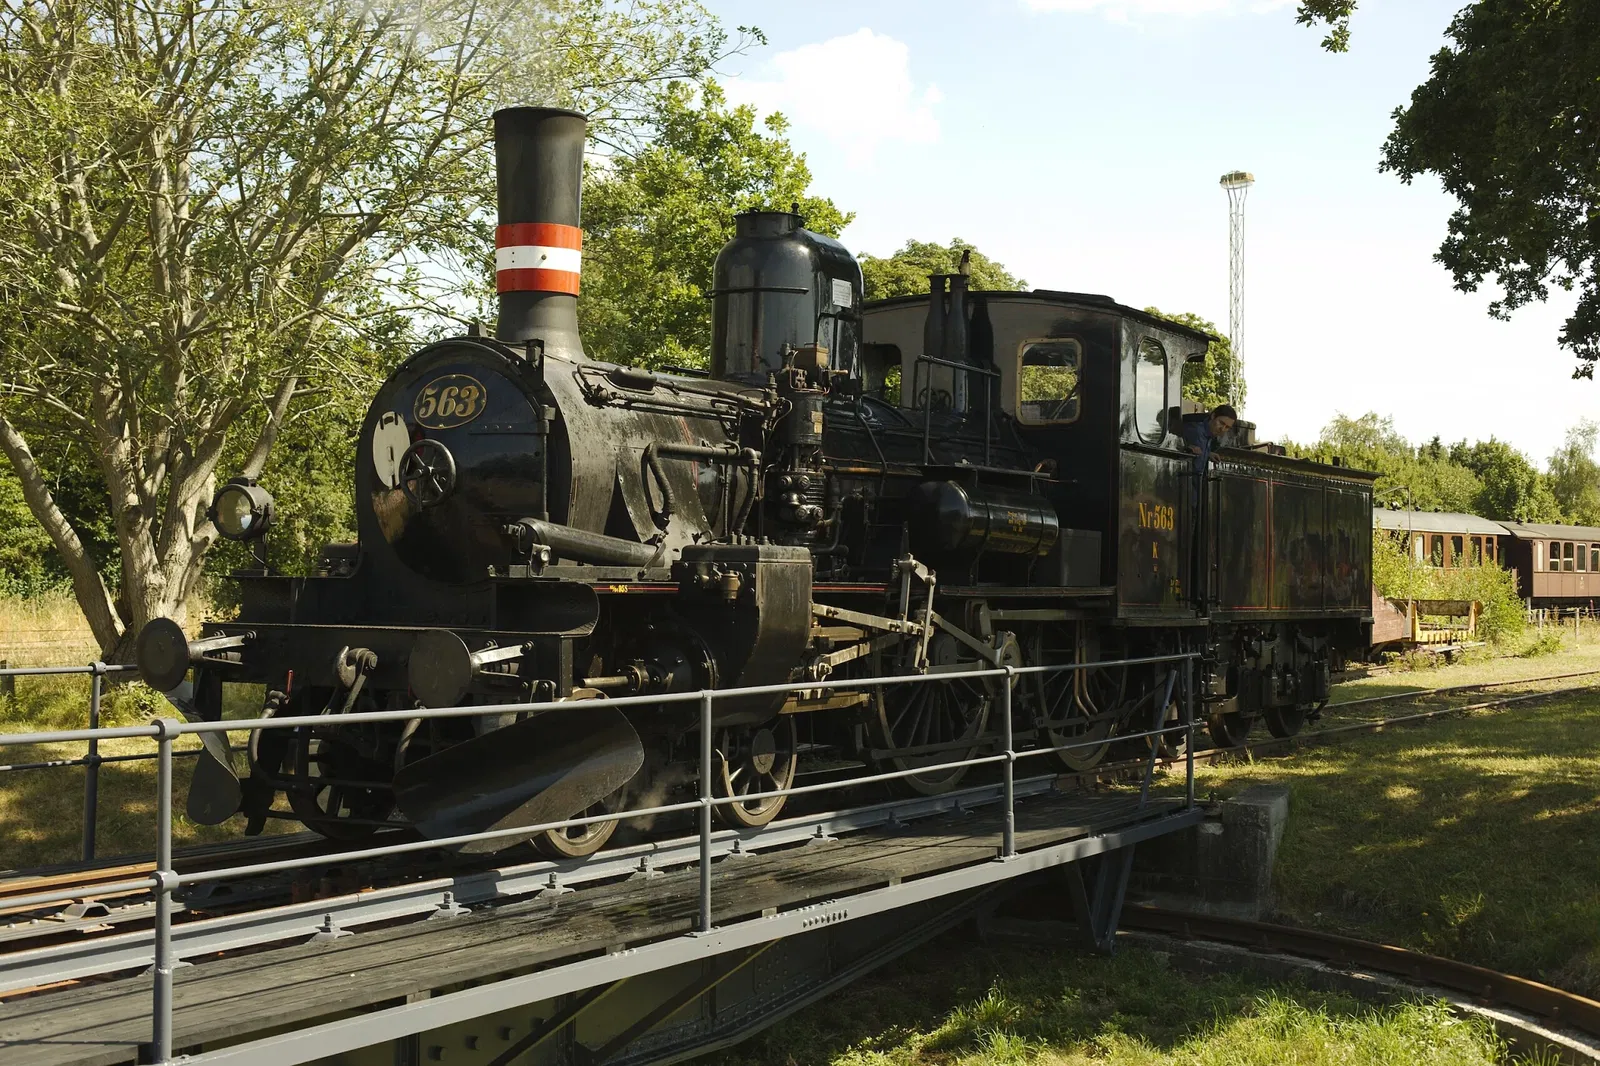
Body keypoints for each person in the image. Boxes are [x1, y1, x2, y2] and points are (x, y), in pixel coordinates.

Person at [1180, 403, 1237, 474]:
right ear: (1213, 416)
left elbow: (1197, 451)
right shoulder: (1195, 431)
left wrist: (1207, 454)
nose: (1222, 429)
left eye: (1227, 427)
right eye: (1221, 423)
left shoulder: (1209, 435)